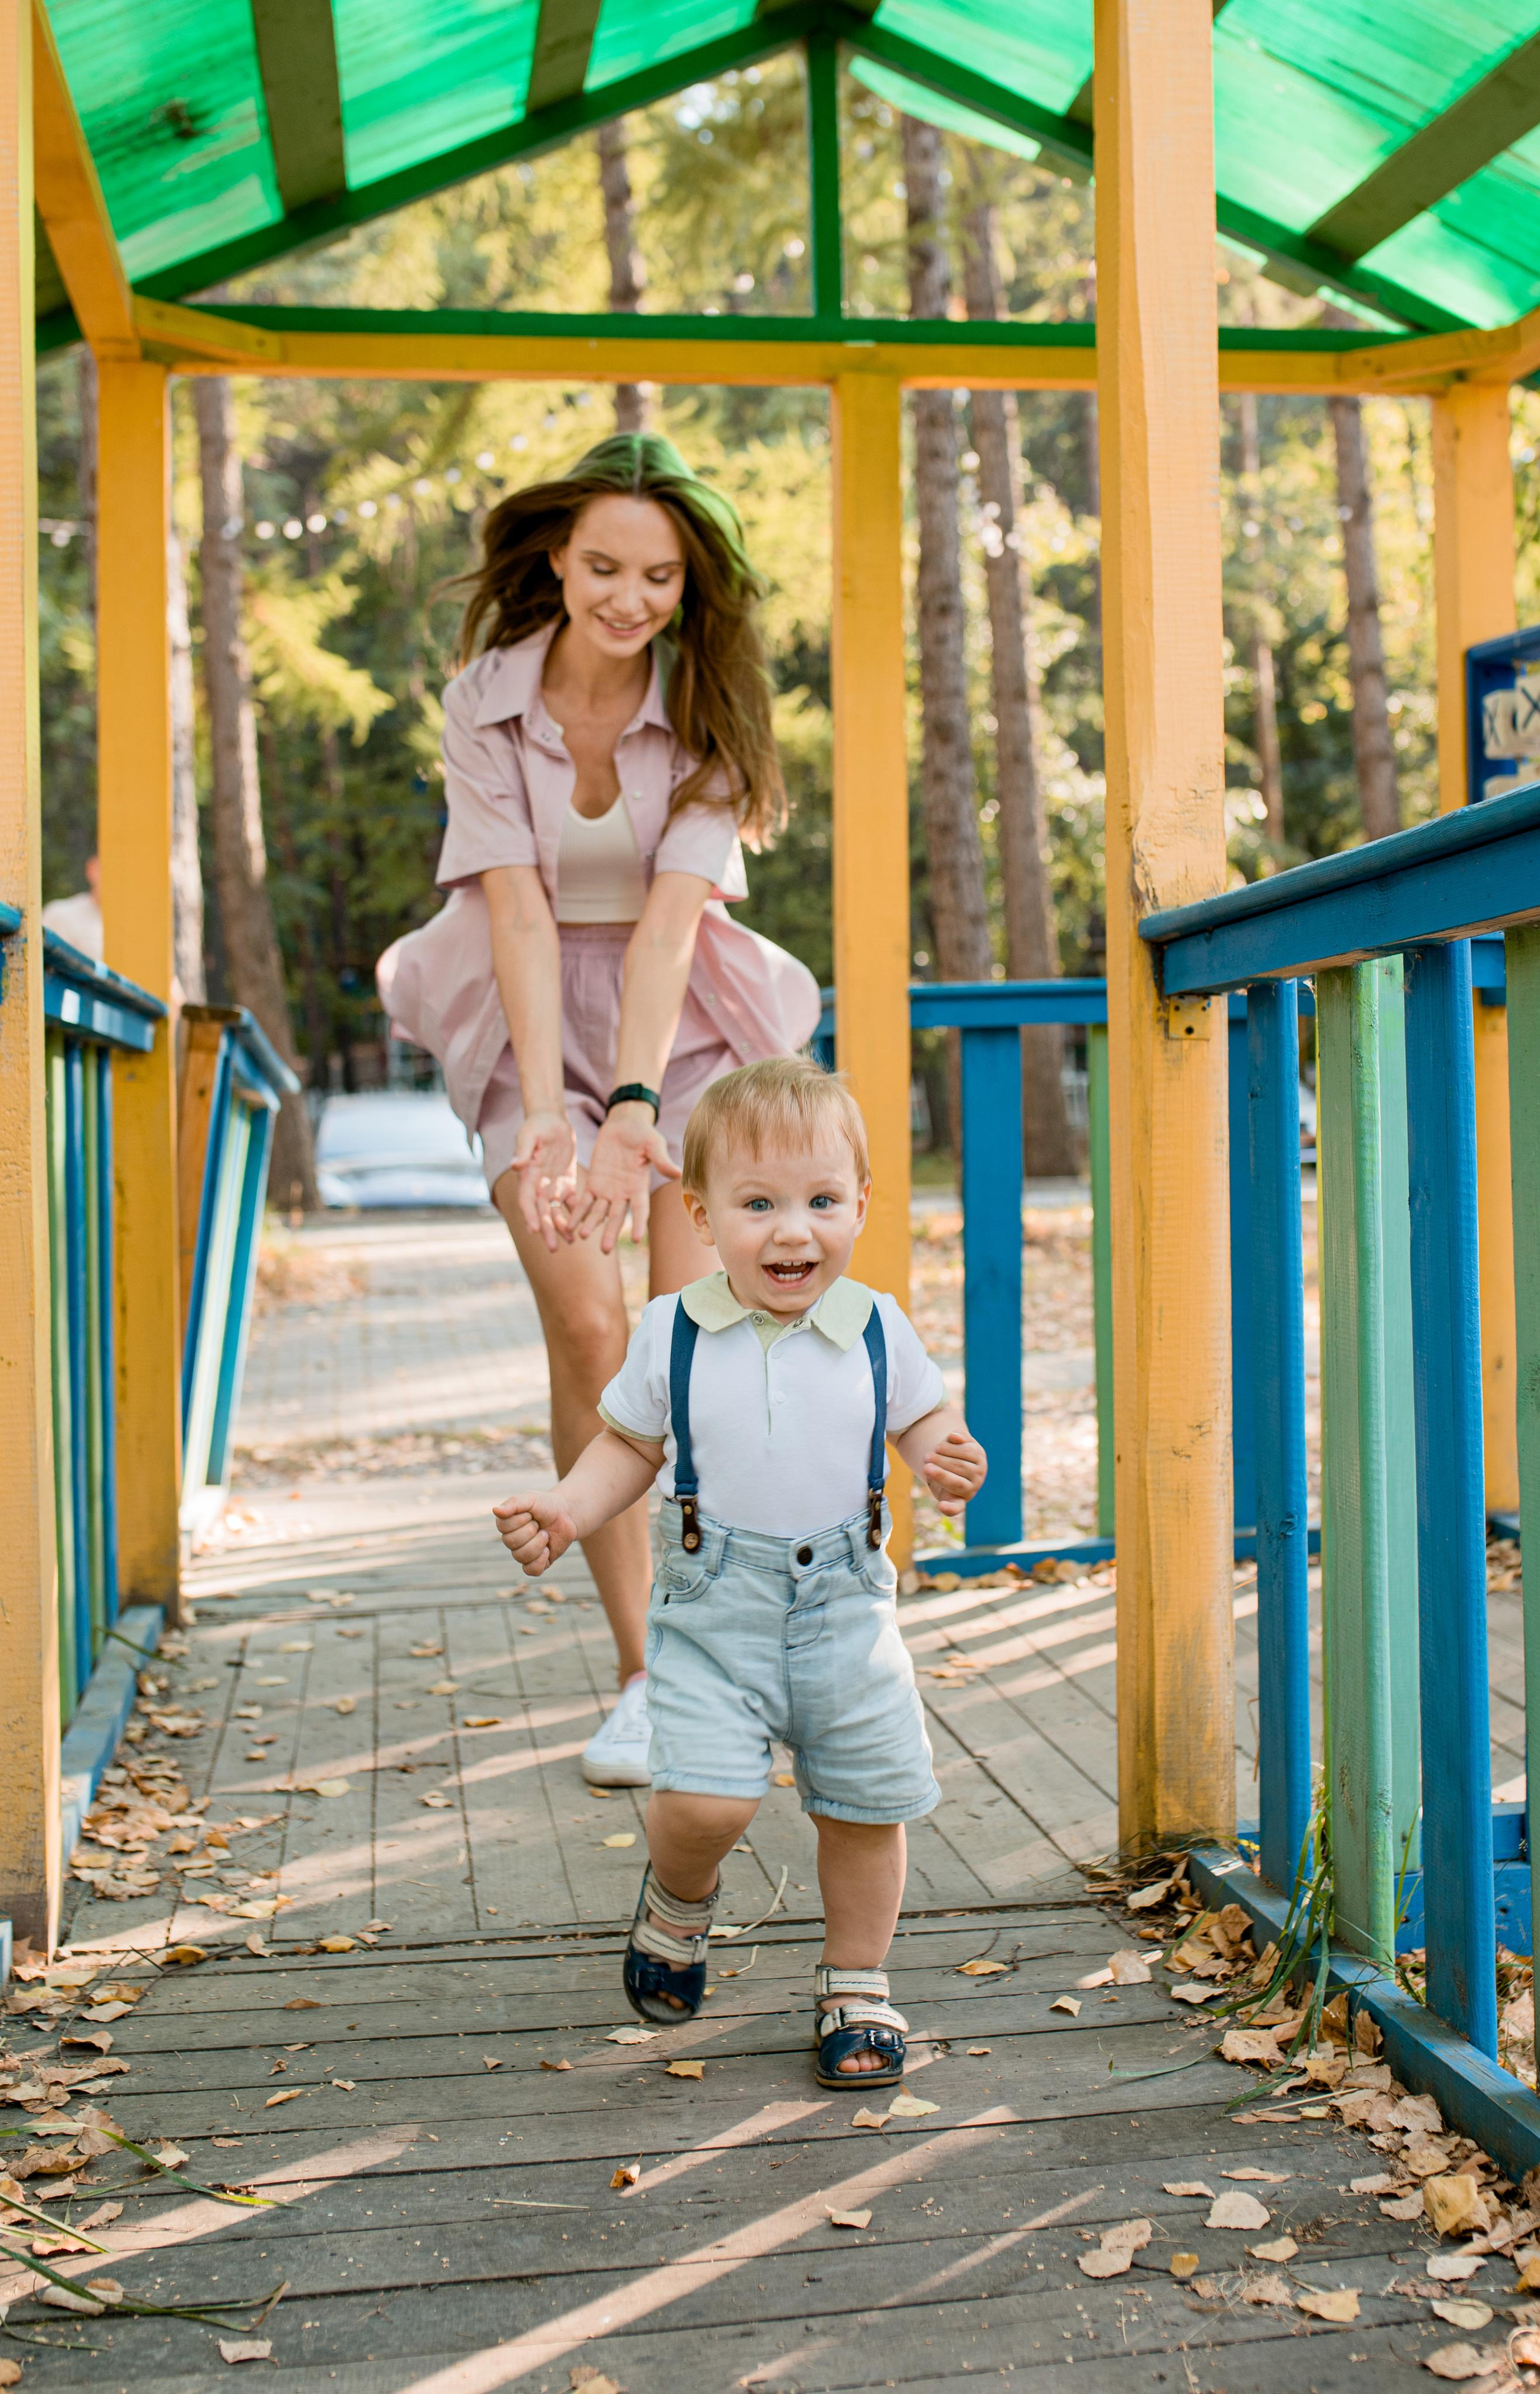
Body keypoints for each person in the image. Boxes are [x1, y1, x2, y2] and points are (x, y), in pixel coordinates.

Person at [380, 435, 819, 1789]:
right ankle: (641, 1677)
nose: (629, 599)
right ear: (558, 561)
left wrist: (631, 1111)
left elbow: (666, 932)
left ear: (689, 586)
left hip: (674, 1029)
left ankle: (718, 1655)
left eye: (660, 577)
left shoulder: (707, 713)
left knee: (693, 1343)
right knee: (588, 1323)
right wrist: (550, 1121)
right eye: (605, 568)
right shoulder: (485, 697)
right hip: (522, 1020)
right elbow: (512, 904)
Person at [492, 1057, 987, 2086]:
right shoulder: (675, 1328)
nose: (791, 1231)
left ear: (860, 1204)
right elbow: (627, 1446)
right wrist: (568, 1509)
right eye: (757, 1204)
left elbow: (926, 1418)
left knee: (862, 1806)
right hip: (713, 1610)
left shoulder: (876, 1325)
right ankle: (679, 1896)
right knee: (707, 1800)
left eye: (819, 1201)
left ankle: (856, 1981)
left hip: (845, 1611)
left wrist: (947, 1452)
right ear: (703, 1213)